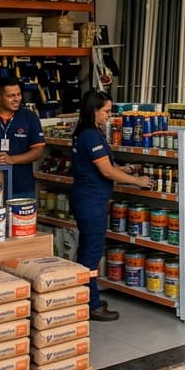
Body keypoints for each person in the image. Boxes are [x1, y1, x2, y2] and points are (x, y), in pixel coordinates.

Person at [71, 90, 154, 322]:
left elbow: (105, 165)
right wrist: (138, 181)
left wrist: (122, 169)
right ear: (94, 110)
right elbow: (106, 171)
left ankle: (87, 297)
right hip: (91, 202)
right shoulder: (90, 135)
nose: (109, 115)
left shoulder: (86, 132)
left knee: (87, 251)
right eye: (106, 111)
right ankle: (93, 305)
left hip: (87, 198)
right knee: (91, 255)